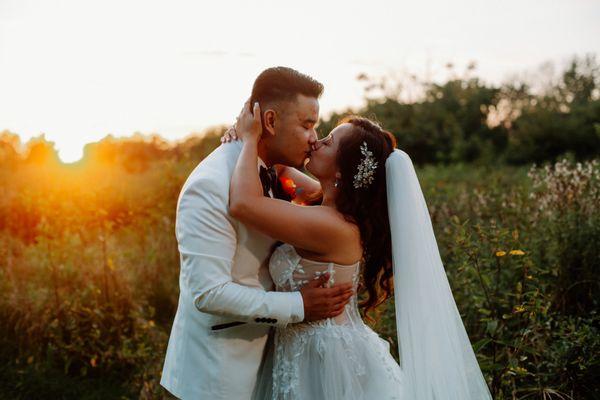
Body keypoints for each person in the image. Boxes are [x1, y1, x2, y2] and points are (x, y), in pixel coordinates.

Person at [228, 101, 493, 400]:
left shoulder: (335, 227)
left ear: (343, 168)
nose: (316, 141)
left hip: (328, 360)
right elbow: (281, 168)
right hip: (304, 350)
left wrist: (249, 138)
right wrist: (253, 135)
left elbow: (242, 203)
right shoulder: (329, 203)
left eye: (328, 141)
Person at [160, 67, 354, 400]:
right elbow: (209, 293)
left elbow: (321, 198)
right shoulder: (210, 185)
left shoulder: (276, 170)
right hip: (219, 375)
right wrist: (298, 304)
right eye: (307, 125)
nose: (313, 137)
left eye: (316, 126)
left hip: (277, 361)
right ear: (270, 121)